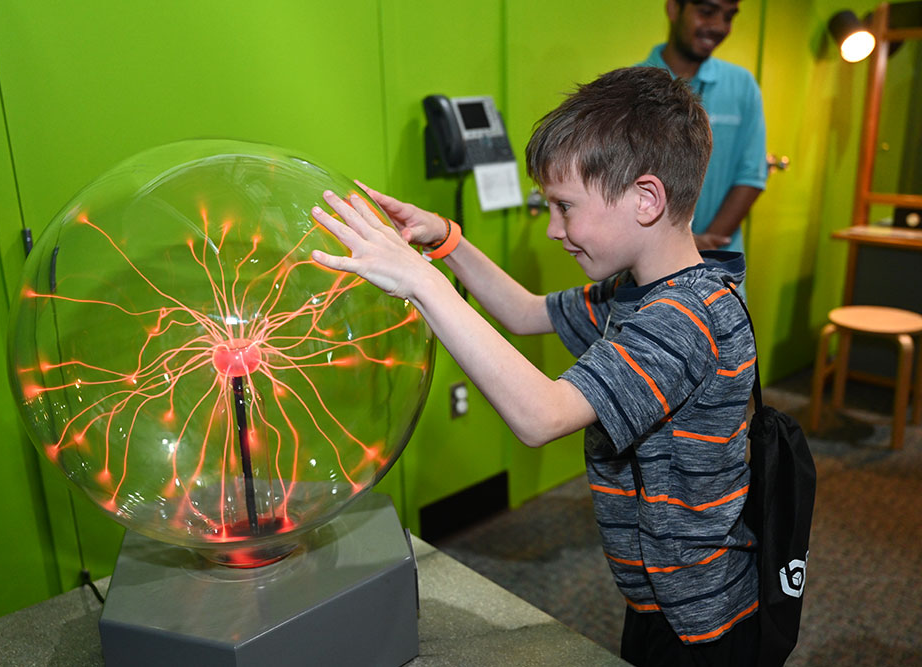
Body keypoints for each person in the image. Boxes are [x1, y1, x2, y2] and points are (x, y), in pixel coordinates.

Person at [311, 67, 759, 666]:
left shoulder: (684, 320)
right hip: (657, 597)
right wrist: (445, 243)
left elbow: (540, 415)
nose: (553, 229)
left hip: (701, 621)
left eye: (565, 207)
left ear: (646, 199)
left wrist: (420, 282)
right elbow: (523, 313)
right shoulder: (637, 291)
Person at [640, 0, 767, 268]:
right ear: (674, 8)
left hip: (716, 261)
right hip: (645, 260)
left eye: (729, 16)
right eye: (707, 12)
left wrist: (703, 246)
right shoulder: (633, 85)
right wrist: (675, 244)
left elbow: (751, 176)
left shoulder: (742, 86)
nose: (719, 27)